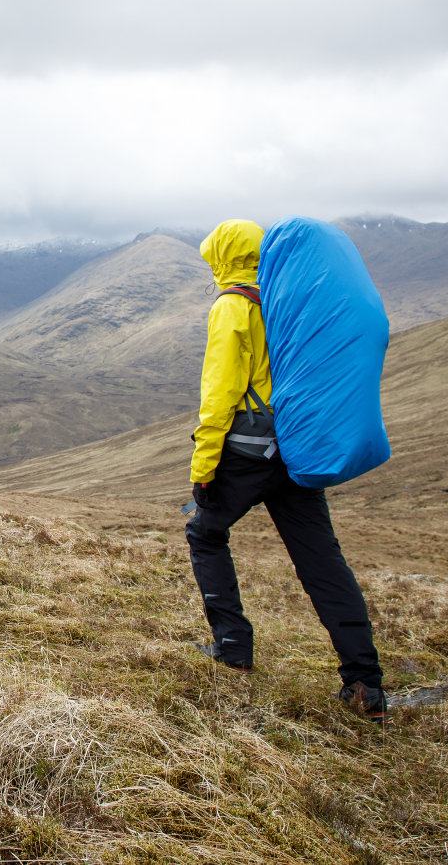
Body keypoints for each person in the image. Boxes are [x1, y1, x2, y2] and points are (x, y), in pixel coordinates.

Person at [186, 219, 386, 722]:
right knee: (322, 561)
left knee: (204, 533)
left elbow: (220, 394)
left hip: (247, 454)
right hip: (297, 449)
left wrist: (204, 465)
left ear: (221, 256)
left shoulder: (232, 307)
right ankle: (365, 683)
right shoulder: (287, 299)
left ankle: (232, 644)